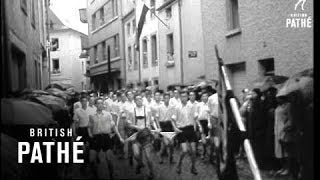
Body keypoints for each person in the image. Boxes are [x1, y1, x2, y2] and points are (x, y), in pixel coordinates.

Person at [88, 98, 124, 179]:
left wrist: (120, 137)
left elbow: (114, 127)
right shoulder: (92, 115)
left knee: (109, 159)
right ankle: (95, 175)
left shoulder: (108, 114)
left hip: (106, 137)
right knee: (91, 160)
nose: (100, 105)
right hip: (96, 138)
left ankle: (111, 175)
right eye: (98, 103)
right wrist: (90, 134)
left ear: (103, 105)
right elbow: (89, 126)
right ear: (96, 105)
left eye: (101, 103)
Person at [126, 94, 155, 179]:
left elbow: (151, 121)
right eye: (137, 99)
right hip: (135, 135)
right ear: (134, 101)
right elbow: (128, 124)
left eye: (140, 99)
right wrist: (135, 127)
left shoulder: (148, 110)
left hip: (146, 134)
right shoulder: (131, 111)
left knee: (148, 157)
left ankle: (151, 173)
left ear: (142, 100)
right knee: (136, 154)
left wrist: (153, 128)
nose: (139, 101)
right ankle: (139, 163)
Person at [172, 91, 198, 175]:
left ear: (187, 97)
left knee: (194, 151)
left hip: (190, 129)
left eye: (185, 96)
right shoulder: (177, 107)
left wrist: (195, 126)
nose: (184, 98)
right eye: (182, 96)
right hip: (181, 130)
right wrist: (175, 128)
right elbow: (172, 119)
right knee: (184, 150)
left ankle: (193, 167)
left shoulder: (191, 106)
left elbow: (194, 117)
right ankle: (179, 165)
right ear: (180, 98)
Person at [154, 92, 176, 164]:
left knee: (172, 144)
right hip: (162, 125)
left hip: (170, 125)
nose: (166, 100)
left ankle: (171, 157)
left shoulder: (172, 107)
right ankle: (159, 154)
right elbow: (156, 118)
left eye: (168, 98)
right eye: (165, 98)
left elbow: (173, 117)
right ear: (163, 99)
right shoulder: (159, 107)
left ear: (169, 98)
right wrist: (159, 127)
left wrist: (175, 126)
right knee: (166, 143)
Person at [196, 92, 212, 160]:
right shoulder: (199, 105)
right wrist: (199, 125)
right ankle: (203, 152)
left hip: (208, 123)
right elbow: (196, 115)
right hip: (201, 122)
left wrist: (209, 122)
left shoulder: (210, 105)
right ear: (201, 97)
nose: (205, 97)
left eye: (206, 96)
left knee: (210, 140)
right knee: (203, 140)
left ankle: (209, 153)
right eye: (203, 96)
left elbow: (210, 115)